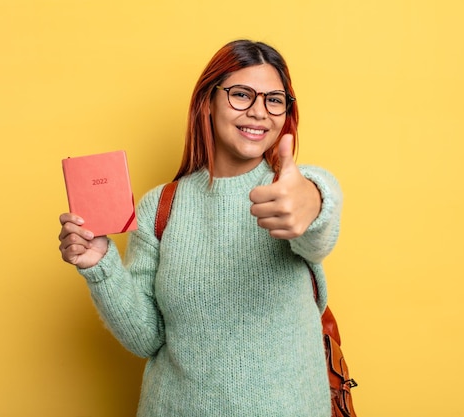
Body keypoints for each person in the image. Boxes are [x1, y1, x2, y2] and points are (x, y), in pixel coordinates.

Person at [58, 39, 343, 417]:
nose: (260, 112)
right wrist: (100, 265)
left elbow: (319, 224)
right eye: (242, 95)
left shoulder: (293, 191)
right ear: (208, 102)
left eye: (274, 100)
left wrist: (311, 203)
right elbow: (147, 339)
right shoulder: (161, 206)